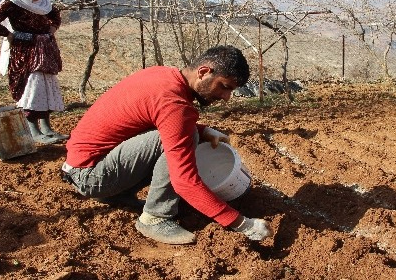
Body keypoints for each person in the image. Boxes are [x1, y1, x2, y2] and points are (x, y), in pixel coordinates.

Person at [62, 45, 273, 245]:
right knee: (186, 135)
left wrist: (203, 130)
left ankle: (116, 194)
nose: (226, 97)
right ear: (204, 72)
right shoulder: (175, 105)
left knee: (187, 132)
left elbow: (156, 119)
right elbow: (184, 181)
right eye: (224, 87)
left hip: (84, 166)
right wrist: (243, 224)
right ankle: (156, 218)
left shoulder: (163, 75)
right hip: (91, 176)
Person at [0, 0, 69, 145]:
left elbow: (55, 17)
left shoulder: (44, 4)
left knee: (46, 87)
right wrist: (9, 34)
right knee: (33, 89)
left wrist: (51, 30)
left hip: (45, 51)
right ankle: (32, 129)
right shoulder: (14, 2)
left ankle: (47, 128)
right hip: (25, 52)